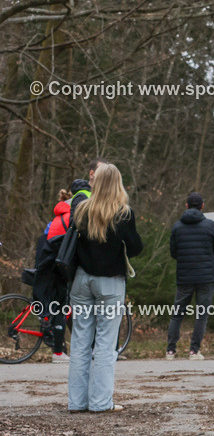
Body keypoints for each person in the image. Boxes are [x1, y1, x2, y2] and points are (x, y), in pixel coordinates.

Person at [68, 163, 143, 413]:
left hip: (81, 280)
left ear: (95, 183)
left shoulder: (80, 209)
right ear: (118, 184)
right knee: (105, 343)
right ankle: (100, 403)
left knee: (80, 341)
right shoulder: (123, 213)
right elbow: (136, 247)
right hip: (110, 282)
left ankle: (77, 402)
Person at [167, 192, 214, 361]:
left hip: (184, 276)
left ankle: (170, 351)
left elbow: (173, 253)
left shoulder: (177, 227)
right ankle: (194, 351)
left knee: (177, 314)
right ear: (202, 206)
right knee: (201, 314)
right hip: (205, 277)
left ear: (186, 206)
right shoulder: (210, 225)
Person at [33, 186, 86, 361]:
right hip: (55, 265)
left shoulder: (59, 215)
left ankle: (54, 336)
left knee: (58, 305)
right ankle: (58, 353)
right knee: (62, 306)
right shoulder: (71, 217)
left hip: (45, 262)